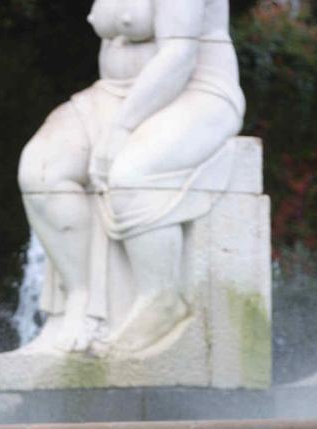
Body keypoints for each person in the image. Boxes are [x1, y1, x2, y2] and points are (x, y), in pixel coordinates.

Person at [17, 0, 244, 354]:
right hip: (111, 93)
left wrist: (121, 127)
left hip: (196, 89)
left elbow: (180, 54)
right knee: (40, 171)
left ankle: (160, 299)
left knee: (131, 173)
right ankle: (79, 300)